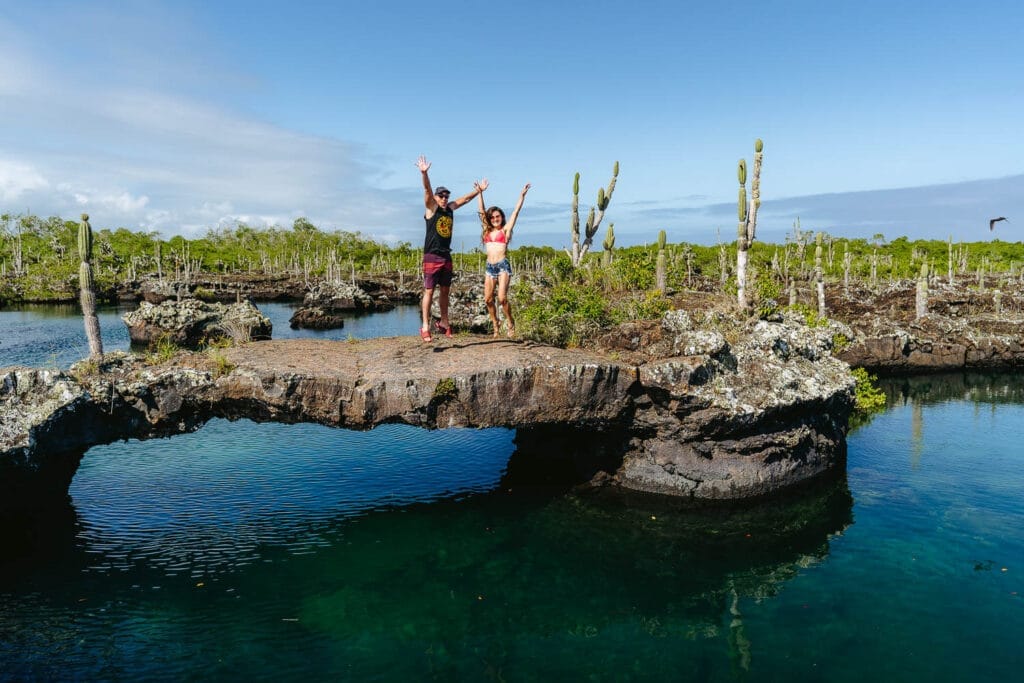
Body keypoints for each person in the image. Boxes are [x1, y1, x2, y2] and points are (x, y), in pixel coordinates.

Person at [416, 155, 485, 342]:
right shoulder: (432, 208)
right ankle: (425, 325)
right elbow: (427, 189)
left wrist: (478, 191)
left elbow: (463, 200)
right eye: (442, 196)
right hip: (432, 256)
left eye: (446, 196)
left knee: (445, 290)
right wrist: (424, 173)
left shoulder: (449, 209)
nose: (445, 199)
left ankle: (444, 322)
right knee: (429, 291)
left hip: (446, 256)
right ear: (436, 198)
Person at [476, 181, 530, 337]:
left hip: (502, 266)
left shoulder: (505, 230)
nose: (495, 219)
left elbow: (516, 212)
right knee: (487, 299)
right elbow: (481, 211)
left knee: (502, 298)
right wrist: (480, 193)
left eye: (497, 216)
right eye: (492, 217)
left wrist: (522, 195)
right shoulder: (487, 230)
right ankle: (495, 322)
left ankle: (510, 322)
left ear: (501, 217)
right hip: (489, 267)